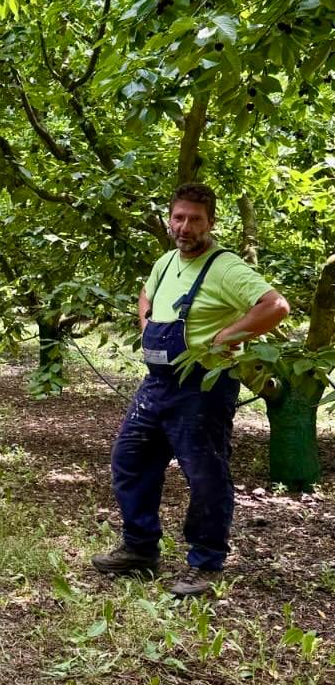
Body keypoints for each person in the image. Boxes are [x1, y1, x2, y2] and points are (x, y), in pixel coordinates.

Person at [92, 183, 290, 597]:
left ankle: (205, 562)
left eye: (195, 219)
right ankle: (140, 549)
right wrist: (146, 322)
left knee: (204, 475)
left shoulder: (225, 267)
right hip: (157, 384)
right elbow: (146, 294)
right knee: (130, 460)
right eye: (178, 218)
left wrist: (227, 336)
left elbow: (275, 306)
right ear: (170, 220)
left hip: (203, 388)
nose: (185, 227)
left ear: (211, 223)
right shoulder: (165, 262)